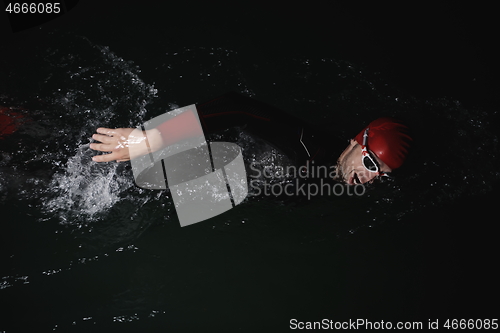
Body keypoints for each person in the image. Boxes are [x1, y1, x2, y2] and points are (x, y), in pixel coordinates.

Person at [90, 92, 412, 185]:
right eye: (371, 163)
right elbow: (237, 107)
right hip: (197, 157)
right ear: (357, 141)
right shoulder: (305, 146)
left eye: (381, 174)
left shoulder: (337, 177)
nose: (371, 177)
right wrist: (155, 137)